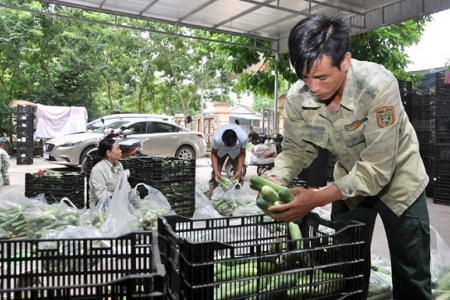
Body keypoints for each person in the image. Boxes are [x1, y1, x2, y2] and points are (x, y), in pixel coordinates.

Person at [266, 14, 432, 299]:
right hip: (349, 186)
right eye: (305, 77)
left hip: (399, 182)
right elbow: (295, 149)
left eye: (321, 77)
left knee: (411, 273)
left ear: (345, 60)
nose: (313, 87)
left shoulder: (378, 86)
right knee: (348, 267)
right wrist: (274, 177)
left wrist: (317, 198)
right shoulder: (298, 98)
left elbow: (379, 168)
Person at [88, 135, 131, 209]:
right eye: (117, 149)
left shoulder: (119, 165)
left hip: (117, 201)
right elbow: (102, 196)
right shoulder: (98, 170)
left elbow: (124, 185)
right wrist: (119, 196)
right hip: (100, 206)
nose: (120, 151)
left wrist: (129, 193)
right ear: (109, 153)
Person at [207, 123, 248, 198]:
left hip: (236, 152)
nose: (230, 148)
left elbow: (242, 153)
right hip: (220, 152)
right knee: (215, 175)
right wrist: (216, 171)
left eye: (232, 145)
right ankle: (212, 196)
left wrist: (238, 171)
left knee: (239, 175)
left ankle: (237, 196)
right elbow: (213, 154)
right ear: (223, 141)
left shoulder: (243, 138)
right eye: (228, 146)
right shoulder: (217, 138)